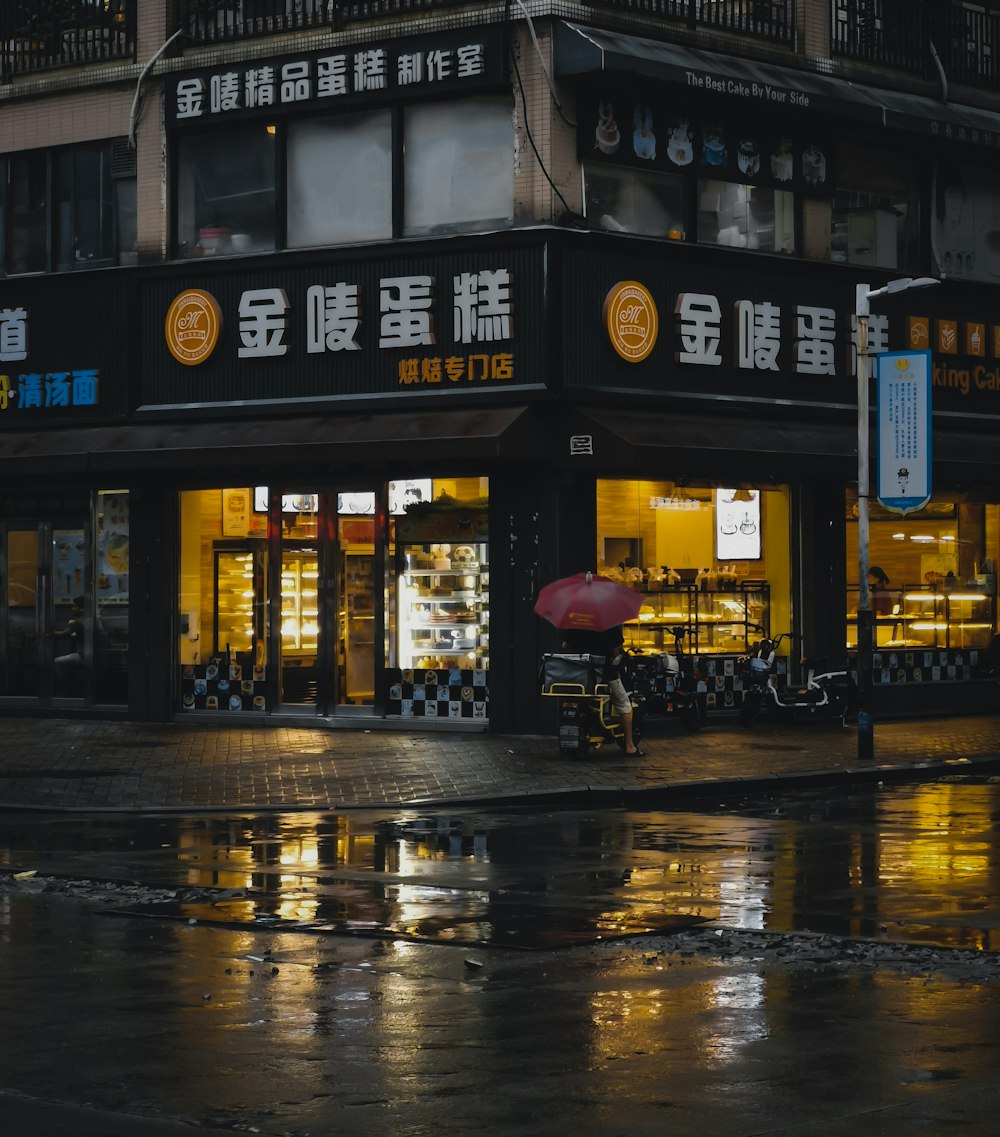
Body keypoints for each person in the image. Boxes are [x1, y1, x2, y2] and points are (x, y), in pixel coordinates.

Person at [562, 623, 643, 756]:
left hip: (579, 676)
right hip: (603, 676)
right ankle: (629, 746)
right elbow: (615, 652)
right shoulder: (608, 625)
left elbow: (565, 646)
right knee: (624, 704)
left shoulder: (576, 623)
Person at [54, 596, 86, 686]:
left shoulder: (78, 622)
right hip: (95, 656)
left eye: (75, 606)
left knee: (55, 662)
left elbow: (64, 634)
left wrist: (48, 633)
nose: (72, 609)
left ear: (82, 609)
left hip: (84, 657)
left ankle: (63, 686)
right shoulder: (93, 619)